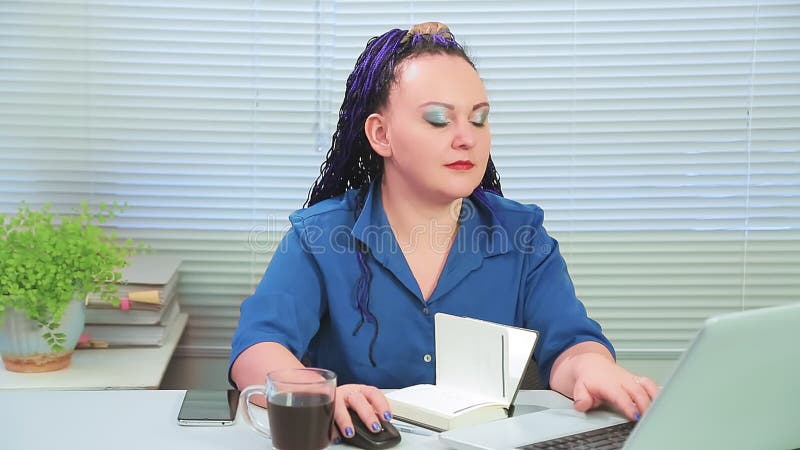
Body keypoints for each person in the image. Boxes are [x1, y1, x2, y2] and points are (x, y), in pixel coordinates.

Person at [229, 22, 659, 442]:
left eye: (478, 119)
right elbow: (256, 349)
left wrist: (592, 367)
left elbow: (571, 344)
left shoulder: (522, 235)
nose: (466, 139)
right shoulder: (319, 237)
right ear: (381, 135)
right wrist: (320, 395)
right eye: (438, 120)